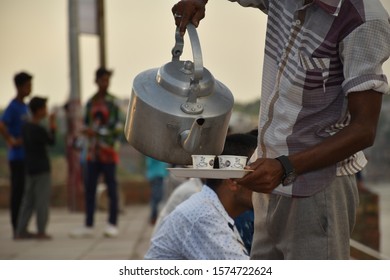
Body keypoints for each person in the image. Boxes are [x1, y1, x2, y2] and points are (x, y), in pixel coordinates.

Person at [172, 0, 390, 259]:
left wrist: (285, 166)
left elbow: (363, 130)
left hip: (316, 193)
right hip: (268, 190)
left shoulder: (364, 19)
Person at [144, 133, 257, 260]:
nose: (268, 185)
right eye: (258, 176)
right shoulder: (204, 216)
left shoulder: (211, 209)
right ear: (233, 181)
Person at [69, 67, 122, 238]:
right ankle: (89, 224)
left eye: (107, 80)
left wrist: (97, 133)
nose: (105, 83)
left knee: (111, 188)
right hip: (92, 153)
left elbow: (117, 129)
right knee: (90, 188)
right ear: (97, 81)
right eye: (102, 80)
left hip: (108, 153)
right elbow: (85, 125)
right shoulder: (90, 103)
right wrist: (84, 135)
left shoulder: (113, 102)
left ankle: (112, 223)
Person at [15, 97, 56, 240]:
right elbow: (52, 141)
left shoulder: (25, 127)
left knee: (27, 202)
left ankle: (20, 231)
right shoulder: (38, 129)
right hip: (42, 169)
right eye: (44, 108)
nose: (46, 111)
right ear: (39, 111)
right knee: (41, 202)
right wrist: (52, 124)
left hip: (29, 169)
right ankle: (41, 231)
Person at [0, 71, 32, 239]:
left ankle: (22, 226)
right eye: (27, 85)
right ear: (19, 87)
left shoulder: (25, 107)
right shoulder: (13, 107)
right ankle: (16, 228)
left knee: (26, 193)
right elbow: (2, 124)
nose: (29, 89)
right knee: (18, 193)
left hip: (26, 156)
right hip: (16, 157)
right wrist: (11, 140)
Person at [145, 157, 169, 225]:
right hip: (157, 175)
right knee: (157, 197)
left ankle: (154, 217)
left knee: (155, 197)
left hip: (155, 175)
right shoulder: (155, 152)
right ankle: (154, 217)